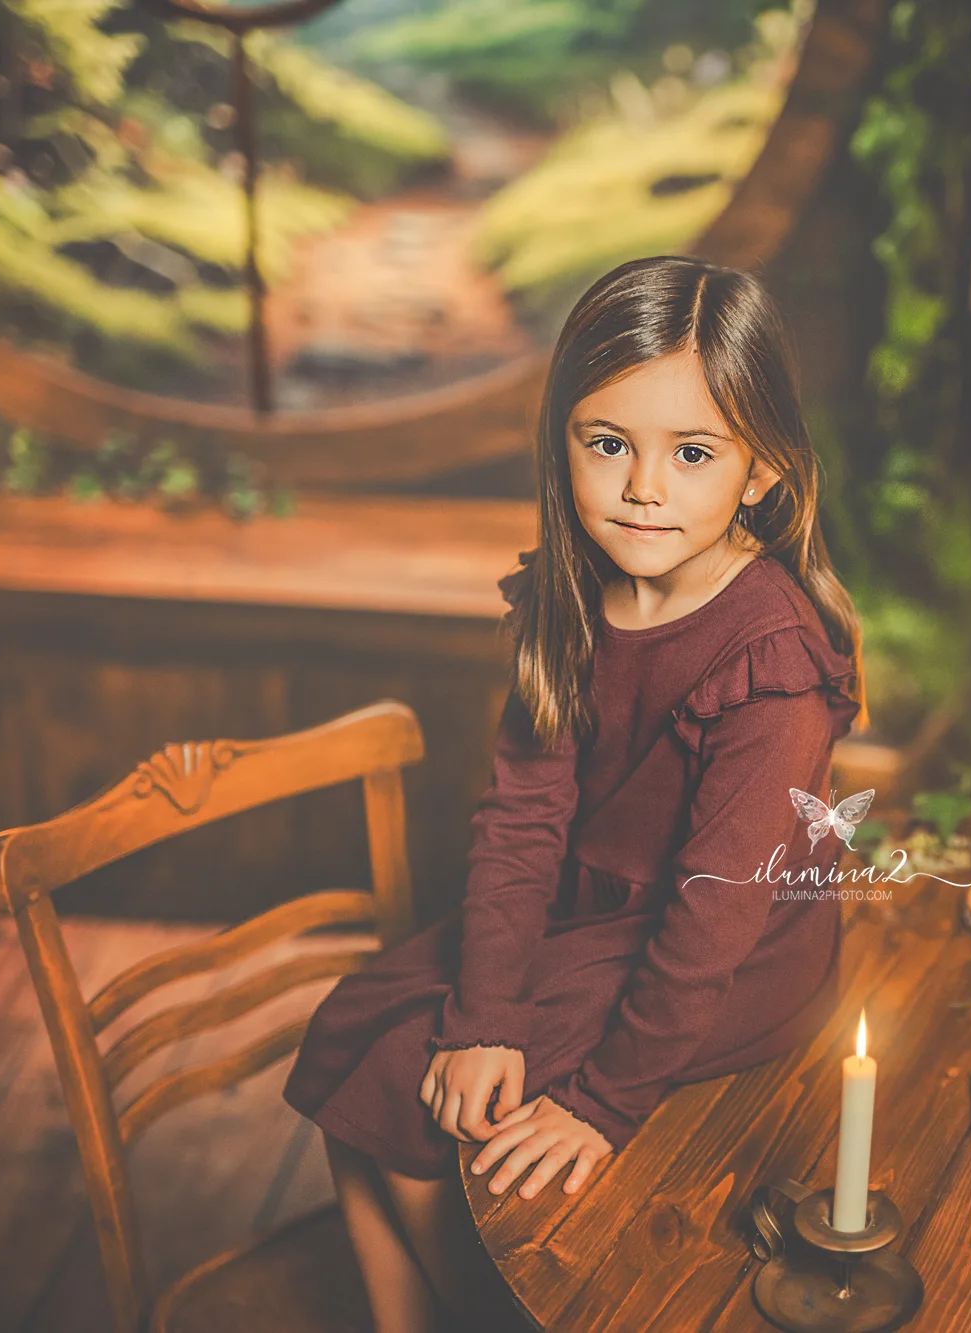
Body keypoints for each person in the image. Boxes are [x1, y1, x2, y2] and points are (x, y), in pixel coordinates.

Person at [282, 255, 870, 1331]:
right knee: (345, 1033)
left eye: (691, 452)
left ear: (760, 473)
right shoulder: (570, 600)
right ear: (562, 442)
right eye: (608, 443)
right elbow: (522, 821)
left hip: (729, 958)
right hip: (583, 909)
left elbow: (715, 915)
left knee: (407, 1098)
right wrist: (485, 1013)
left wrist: (603, 1101)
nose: (643, 486)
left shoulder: (771, 662)